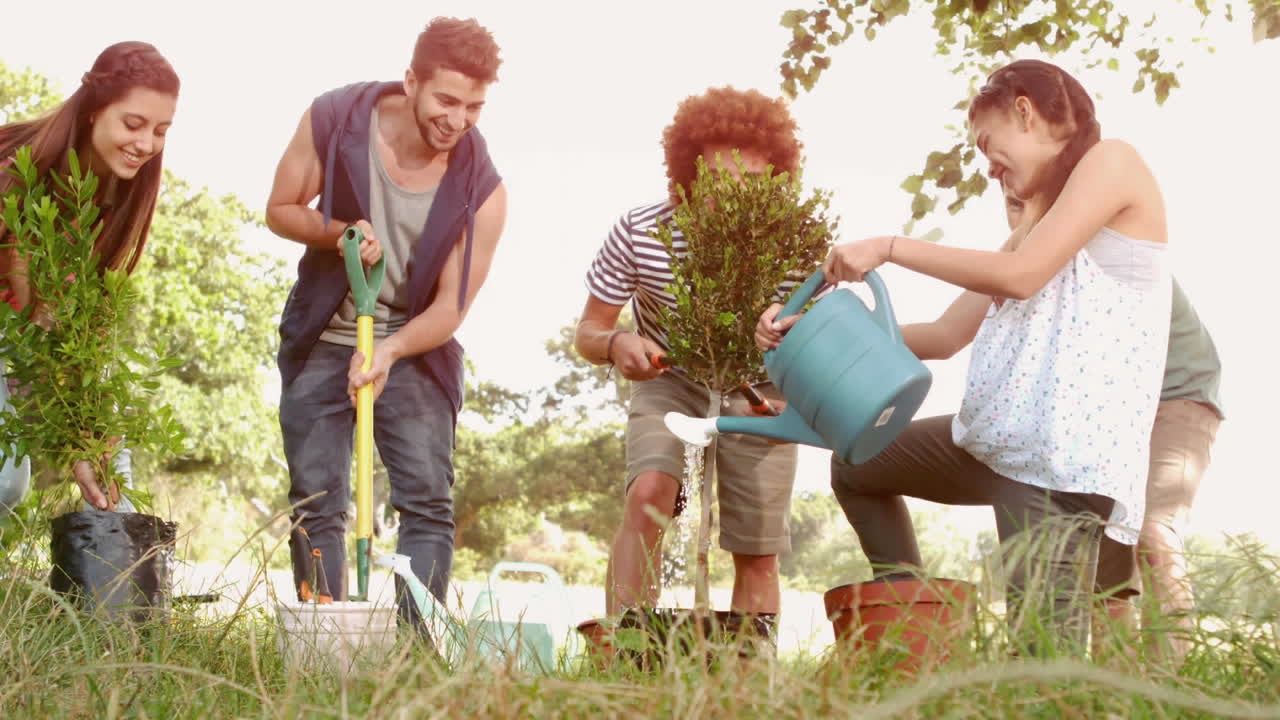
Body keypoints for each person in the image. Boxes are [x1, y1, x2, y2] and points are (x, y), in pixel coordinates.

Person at [757, 59, 1173, 651]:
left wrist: (892, 247)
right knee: (859, 463)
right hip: (996, 443)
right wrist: (810, 334)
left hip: (1061, 463)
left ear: (1024, 111)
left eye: (988, 141)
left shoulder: (1114, 162)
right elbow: (944, 335)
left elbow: (1023, 277)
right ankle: (917, 632)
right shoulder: (1025, 236)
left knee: (1041, 661)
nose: (987, 164)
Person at [265, 17, 507, 617]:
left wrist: (392, 352)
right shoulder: (335, 119)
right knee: (317, 497)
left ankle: (414, 650)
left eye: (474, 106)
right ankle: (327, 644)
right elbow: (280, 209)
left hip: (415, 344)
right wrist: (339, 231)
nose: (458, 119)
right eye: (446, 99)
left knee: (426, 502)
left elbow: (451, 306)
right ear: (412, 81)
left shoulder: (485, 188)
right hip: (324, 334)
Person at [574, 87, 803, 628]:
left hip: (761, 389)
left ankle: (748, 682)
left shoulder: (795, 241)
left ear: (778, 179)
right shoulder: (639, 231)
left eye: (751, 183)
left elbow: (815, 339)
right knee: (650, 493)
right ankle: (627, 657)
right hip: (670, 379)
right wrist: (617, 344)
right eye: (718, 181)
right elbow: (589, 331)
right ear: (689, 176)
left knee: (758, 542)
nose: (734, 197)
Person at [0, 41, 180, 515]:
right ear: (93, 112)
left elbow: (82, 328)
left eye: (161, 130)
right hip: (13, 335)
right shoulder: (18, 171)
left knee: (108, 449)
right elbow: (35, 311)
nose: (147, 143)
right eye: (134, 123)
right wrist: (79, 430)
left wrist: (94, 431)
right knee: (5, 481)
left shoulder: (116, 200)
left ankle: (118, 572)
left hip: (22, 341)